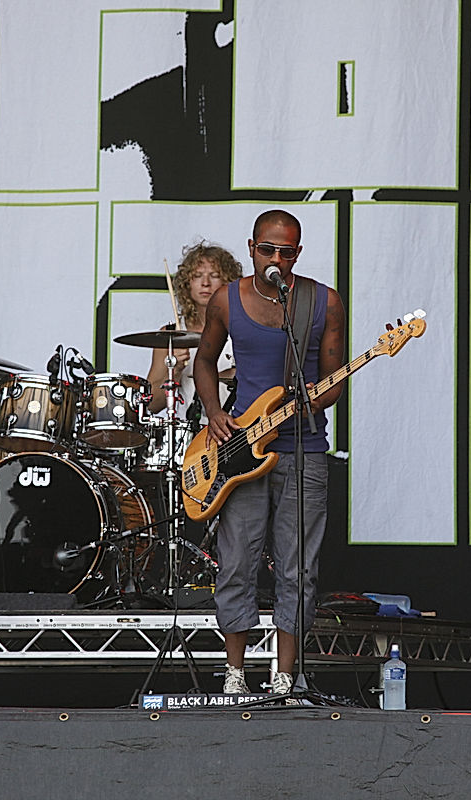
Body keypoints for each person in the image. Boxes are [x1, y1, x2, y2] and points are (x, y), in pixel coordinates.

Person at [193, 209, 346, 697]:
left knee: (298, 567)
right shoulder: (226, 299)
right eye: (267, 250)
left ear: (297, 253)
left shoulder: (323, 302)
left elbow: (331, 380)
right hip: (240, 451)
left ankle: (284, 675)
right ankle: (235, 673)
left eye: (287, 251)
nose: (276, 258)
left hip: (304, 449)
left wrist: (311, 401)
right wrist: (216, 411)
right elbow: (203, 362)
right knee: (236, 562)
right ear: (253, 247)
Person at [145, 242, 242, 420]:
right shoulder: (170, 334)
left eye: (214, 275)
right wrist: (174, 372)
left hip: (235, 432)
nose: (205, 283)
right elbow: (151, 404)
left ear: (228, 282)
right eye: (197, 276)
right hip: (186, 439)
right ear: (187, 283)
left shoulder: (242, 329)